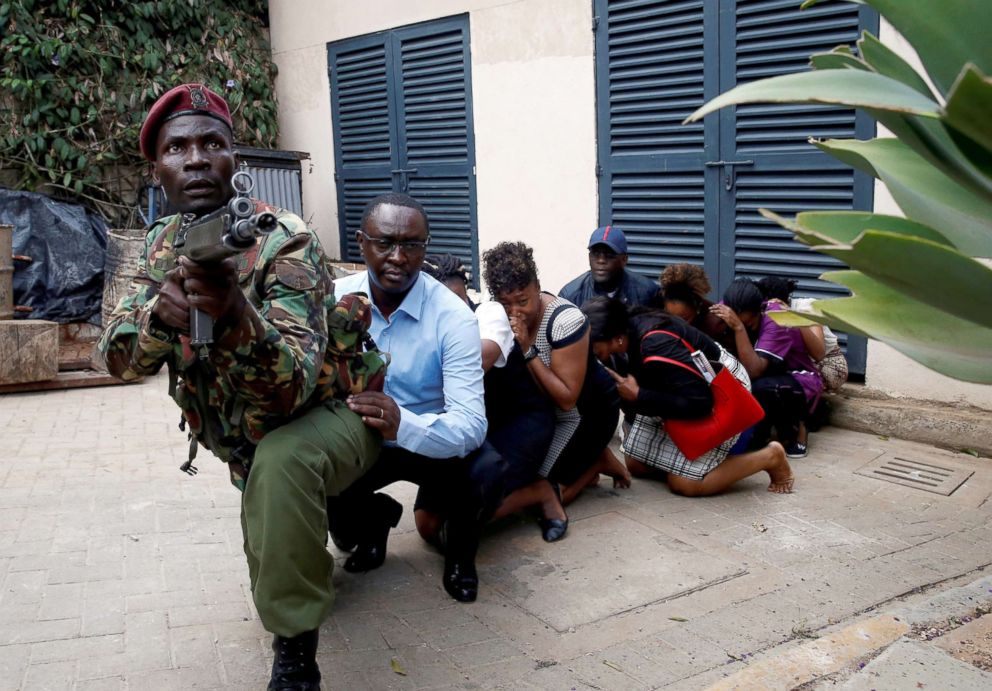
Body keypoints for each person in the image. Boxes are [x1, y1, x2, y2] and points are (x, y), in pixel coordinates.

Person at [98, 83, 379, 690]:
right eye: (177, 148)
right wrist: (159, 319)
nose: (195, 158)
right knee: (287, 495)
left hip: (339, 410)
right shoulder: (158, 243)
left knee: (280, 469)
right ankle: (364, 521)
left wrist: (235, 317)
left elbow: (295, 388)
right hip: (249, 434)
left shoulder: (284, 239)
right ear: (157, 170)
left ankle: (297, 652)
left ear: (236, 162)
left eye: (212, 143)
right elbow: (115, 358)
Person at [329, 194, 497, 604]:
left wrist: (403, 423)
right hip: (361, 439)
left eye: (412, 245)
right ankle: (377, 521)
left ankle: (460, 557)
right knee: (343, 533)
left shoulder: (454, 317)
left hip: (429, 438)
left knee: (484, 469)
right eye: (384, 243)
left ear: (426, 247)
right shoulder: (332, 300)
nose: (398, 257)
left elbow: (471, 423)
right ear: (361, 242)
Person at [483, 242, 628, 540]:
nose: (514, 312)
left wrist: (526, 349)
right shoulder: (498, 315)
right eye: (505, 303)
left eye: (522, 301)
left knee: (542, 490)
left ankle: (596, 462)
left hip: (584, 413)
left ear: (537, 287)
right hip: (542, 411)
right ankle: (587, 460)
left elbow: (566, 399)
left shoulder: (565, 321)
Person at [413, 254, 557, 547]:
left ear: (465, 294)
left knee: (456, 524)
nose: (450, 311)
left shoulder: (489, 315)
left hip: (519, 422)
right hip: (470, 426)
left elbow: (476, 362)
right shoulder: (425, 326)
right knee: (426, 525)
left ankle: (539, 491)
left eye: (456, 301)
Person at [584, 298, 794, 496]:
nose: (587, 351)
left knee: (685, 484)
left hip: (721, 389)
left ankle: (770, 457)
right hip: (670, 390)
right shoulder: (619, 344)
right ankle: (687, 464)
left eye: (592, 345)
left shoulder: (656, 343)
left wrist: (639, 395)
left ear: (616, 338)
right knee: (636, 463)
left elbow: (700, 403)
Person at [709, 278, 823, 459]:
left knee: (761, 387)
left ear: (759, 311)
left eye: (749, 325)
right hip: (767, 372)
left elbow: (755, 370)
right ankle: (761, 432)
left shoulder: (775, 319)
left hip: (797, 378)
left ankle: (798, 428)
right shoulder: (731, 308)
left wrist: (739, 329)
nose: (746, 327)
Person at [754, 277, 849, 394]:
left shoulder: (807, 308)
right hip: (799, 362)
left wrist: (791, 314)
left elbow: (819, 353)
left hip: (828, 365)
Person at [559, 225, 658, 308]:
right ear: (589, 257)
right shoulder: (570, 296)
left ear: (624, 260)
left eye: (609, 255)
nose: (601, 260)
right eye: (595, 254)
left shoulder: (647, 292)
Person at [654, 263, 728, 344]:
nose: (677, 324)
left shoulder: (716, 326)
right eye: (671, 317)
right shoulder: (657, 310)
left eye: (684, 319)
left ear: (698, 307)